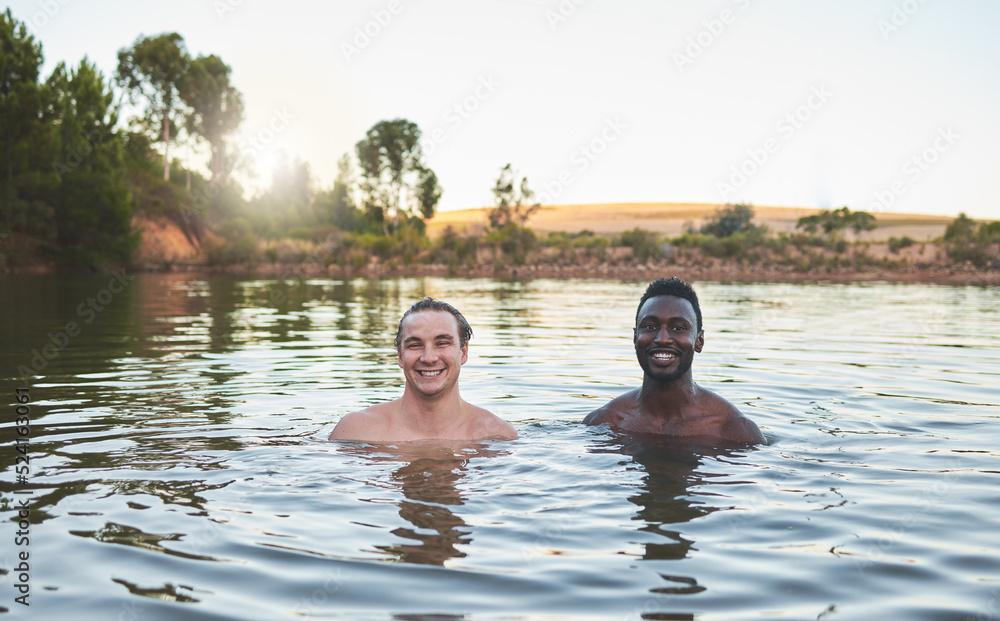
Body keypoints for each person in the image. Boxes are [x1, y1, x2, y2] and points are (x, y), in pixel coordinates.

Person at [584, 277, 764, 445]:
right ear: (635, 337)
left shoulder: (734, 431)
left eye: (678, 328)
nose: (662, 339)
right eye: (650, 327)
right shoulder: (605, 422)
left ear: (699, 341)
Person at [330, 297, 517, 443]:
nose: (429, 358)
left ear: (464, 352)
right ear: (400, 357)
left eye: (442, 343)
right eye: (415, 345)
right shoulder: (356, 431)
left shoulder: (498, 436)